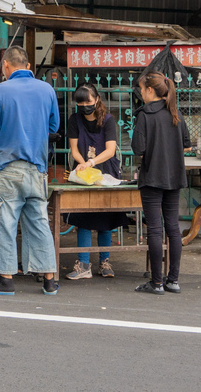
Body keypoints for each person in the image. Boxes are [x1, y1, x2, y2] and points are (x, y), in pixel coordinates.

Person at [0, 45, 61, 296]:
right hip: (37, 170)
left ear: (5, 66)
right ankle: (49, 280)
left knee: (3, 224)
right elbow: (54, 126)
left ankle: (5, 280)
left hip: (9, 170)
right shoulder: (47, 89)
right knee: (39, 224)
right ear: (28, 66)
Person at [132, 72, 191, 296]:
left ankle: (157, 282)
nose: (140, 93)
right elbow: (187, 145)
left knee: (155, 229)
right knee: (173, 228)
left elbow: (138, 149)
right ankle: (173, 280)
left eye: (141, 89)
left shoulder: (145, 115)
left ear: (150, 91)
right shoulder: (175, 112)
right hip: (174, 176)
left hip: (152, 178)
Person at [65, 84, 130, 280]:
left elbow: (110, 150)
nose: (84, 105)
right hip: (84, 172)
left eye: (88, 101)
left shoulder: (108, 120)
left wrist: (92, 162)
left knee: (105, 218)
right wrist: (83, 164)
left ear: (97, 100)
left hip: (106, 171)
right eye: (81, 102)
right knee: (83, 217)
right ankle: (83, 264)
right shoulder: (74, 119)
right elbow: (74, 148)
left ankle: (105, 262)